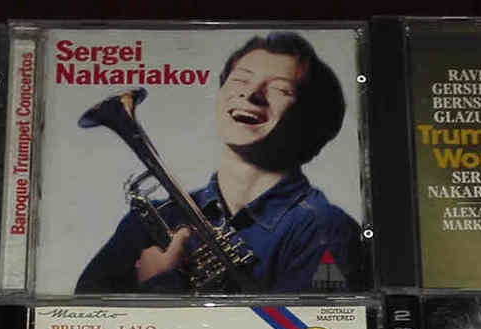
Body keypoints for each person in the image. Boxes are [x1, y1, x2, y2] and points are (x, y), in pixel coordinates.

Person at [76, 32, 364, 293]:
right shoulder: (158, 216)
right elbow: (86, 313)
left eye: (280, 89)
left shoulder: (326, 230)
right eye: (240, 80)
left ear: (309, 120)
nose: (251, 94)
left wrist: (161, 282)